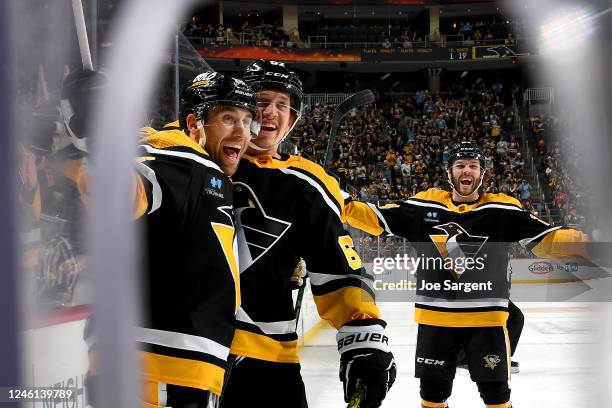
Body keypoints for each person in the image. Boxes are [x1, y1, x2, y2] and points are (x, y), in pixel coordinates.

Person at [344, 141, 589, 408]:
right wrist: (339, 203)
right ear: (450, 172)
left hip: (486, 322)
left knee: (496, 394)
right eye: (460, 165)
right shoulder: (424, 205)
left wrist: (587, 245)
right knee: (432, 394)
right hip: (436, 320)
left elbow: (547, 239)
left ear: (482, 174)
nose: (467, 170)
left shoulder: (502, 210)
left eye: (473, 166)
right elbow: (376, 217)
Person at [220, 59, 396, 408]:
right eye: (261, 100)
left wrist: (364, 341)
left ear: (293, 119)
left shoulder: (305, 183)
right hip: (184, 349)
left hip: (265, 353)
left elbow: (339, 268)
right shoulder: (192, 156)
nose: (270, 111)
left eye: (282, 105)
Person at [85, 71, 258, 408]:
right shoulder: (179, 158)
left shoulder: (209, 174)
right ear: (194, 124)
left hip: (175, 359)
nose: (242, 132)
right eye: (228, 118)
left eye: (247, 120)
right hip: (158, 361)